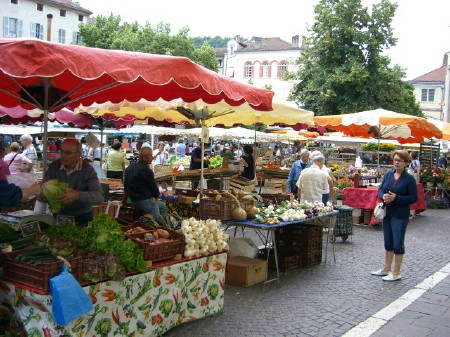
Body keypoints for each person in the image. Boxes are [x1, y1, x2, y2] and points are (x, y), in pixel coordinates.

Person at [372, 150, 418, 282]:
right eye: (395, 160)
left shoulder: (409, 179)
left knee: (398, 242)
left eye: (400, 160)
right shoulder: (389, 175)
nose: (396, 162)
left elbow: (413, 197)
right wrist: (383, 196)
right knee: (388, 241)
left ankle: (396, 272)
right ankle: (386, 268)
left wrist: (396, 198)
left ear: (405, 163)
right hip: (387, 213)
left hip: (400, 214)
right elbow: (380, 189)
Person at [41, 138, 104, 225]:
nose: (63, 155)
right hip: (58, 216)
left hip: (82, 217)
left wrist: (78, 195)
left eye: (68, 152)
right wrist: (43, 195)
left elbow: (99, 196)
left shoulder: (87, 170)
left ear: (79, 154)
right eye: (61, 151)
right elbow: (41, 190)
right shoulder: (54, 166)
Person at [124, 147, 167, 218]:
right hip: (146, 201)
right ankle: (160, 226)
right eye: (150, 155)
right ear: (144, 157)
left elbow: (126, 188)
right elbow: (154, 188)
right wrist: (157, 196)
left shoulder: (129, 168)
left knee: (162, 206)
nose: (152, 157)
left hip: (135, 201)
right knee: (156, 222)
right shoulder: (146, 170)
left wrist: (124, 201)